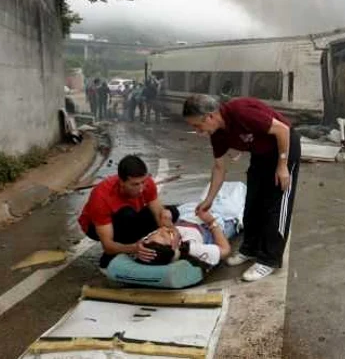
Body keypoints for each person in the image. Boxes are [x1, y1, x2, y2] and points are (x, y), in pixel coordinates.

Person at [183, 94, 300, 282]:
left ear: (210, 116)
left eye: (198, 126)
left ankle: (269, 260)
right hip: (261, 154)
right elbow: (220, 168)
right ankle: (250, 249)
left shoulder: (241, 112)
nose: (198, 132)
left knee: (276, 203)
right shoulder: (218, 135)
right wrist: (209, 200)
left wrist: (282, 165)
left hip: (283, 147)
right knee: (253, 200)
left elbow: (282, 130)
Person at [77, 155, 177, 268]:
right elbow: (108, 245)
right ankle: (115, 255)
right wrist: (134, 248)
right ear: (121, 182)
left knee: (171, 212)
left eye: (143, 182)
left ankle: (137, 246)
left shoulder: (147, 184)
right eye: (135, 184)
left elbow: (160, 217)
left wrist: (172, 233)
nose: (141, 189)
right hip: (95, 226)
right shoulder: (101, 196)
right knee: (127, 215)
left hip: (131, 217)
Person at [139, 208, 238, 269]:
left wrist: (170, 224)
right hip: (210, 224)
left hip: (188, 216)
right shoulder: (192, 248)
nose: (161, 230)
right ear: (173, 246)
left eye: (156, 232)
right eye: (163, 235)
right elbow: (225, 250)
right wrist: (211, 222)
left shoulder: (154, 243)